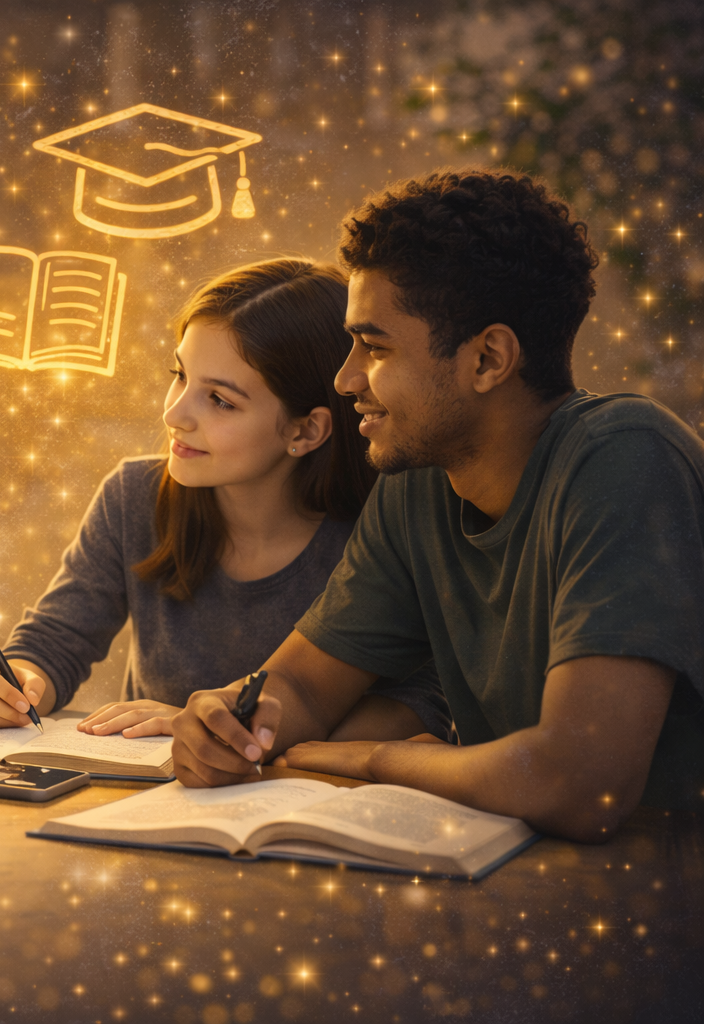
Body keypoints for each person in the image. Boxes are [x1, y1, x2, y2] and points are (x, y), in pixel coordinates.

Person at [170, 169, 704, 842]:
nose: (345, 380)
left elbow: (581, 783)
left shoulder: (627, 459)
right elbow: (302, 690)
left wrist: (379, 760)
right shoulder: (419, 482)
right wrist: (228, 719)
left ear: (487, 359)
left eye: (375, 346)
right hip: (522, 887)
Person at [0, 258, 450, 743]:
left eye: (220, 400)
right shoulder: (133, 498)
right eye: (180, 375)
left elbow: (424, 707)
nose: (175, 414)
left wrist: (217, 724)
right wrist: (12, 682)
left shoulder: (385, 525)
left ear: (306, 429)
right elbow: (54, 642)